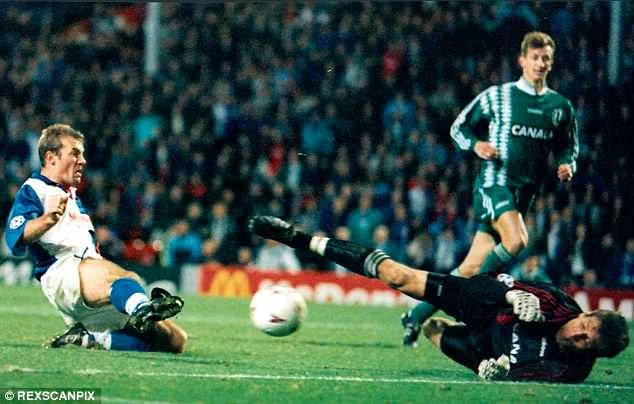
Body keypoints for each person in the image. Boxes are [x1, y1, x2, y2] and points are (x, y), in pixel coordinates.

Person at [249, 216, 629, 383]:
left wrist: (494, 370)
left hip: (485, 348)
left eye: (586, 342)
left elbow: (520, 376)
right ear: (587, 313)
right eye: (584, 325)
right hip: (482, 303)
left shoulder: (571, 370)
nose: (578, 335)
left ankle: (417, 324)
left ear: (593, 354)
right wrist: (513, 293)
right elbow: (490, 282)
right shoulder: (558, 304)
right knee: (396, 275)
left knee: (434, 328)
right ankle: (298, 237)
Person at [402, 31, 579, 346]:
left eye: (546, 59)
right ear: (522, 60)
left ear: (551, 63)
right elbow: (459, 127)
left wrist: (568, 164)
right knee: (517, 240)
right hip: (494, 184)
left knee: (471, 267)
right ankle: (474, 301)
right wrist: (477, 145)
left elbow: (569, 146)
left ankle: (415, 315)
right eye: (535, 57)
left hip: (523, 196)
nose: (540, 63)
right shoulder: (498, 96)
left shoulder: (560, 106)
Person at [4, 124, 187, 353]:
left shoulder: (72, 195)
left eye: (82, 154)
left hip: (90, 283)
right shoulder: (35, 189)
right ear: (51, 158)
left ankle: (90, 338)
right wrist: (47, 220)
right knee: (128, 279)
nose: (82, 161)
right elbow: (15, 236)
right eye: (75, 153)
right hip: (64, 274)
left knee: (174, 340)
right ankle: (141, 308)